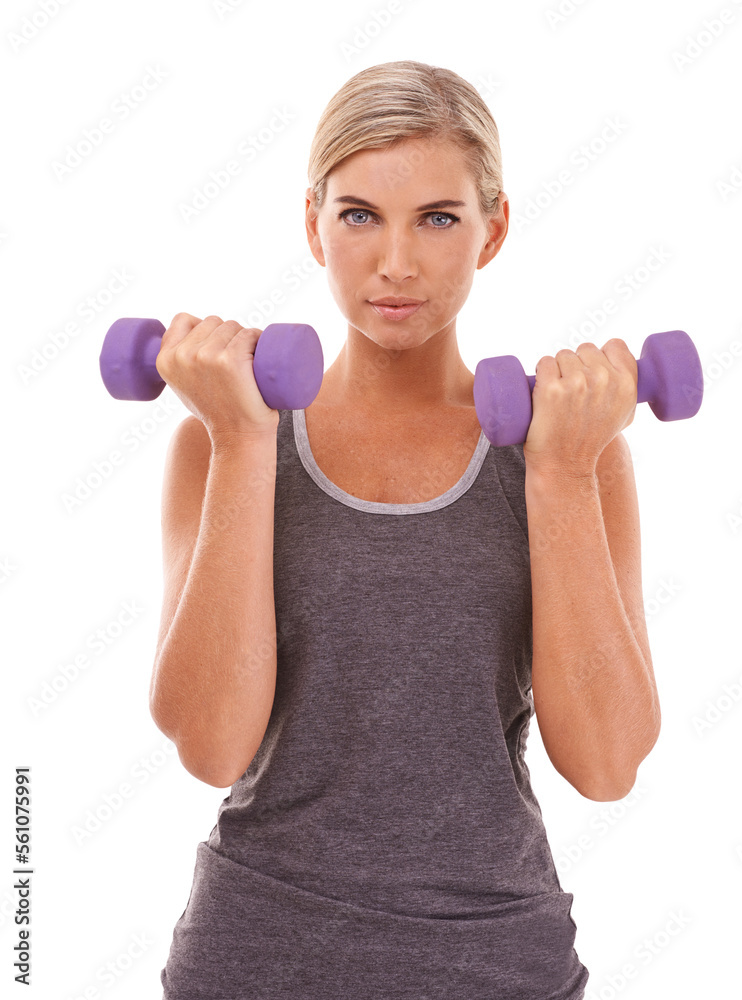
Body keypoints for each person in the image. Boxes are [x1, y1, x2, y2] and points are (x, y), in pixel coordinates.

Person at [151, 59, 661, 1000]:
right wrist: (239, 442)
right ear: (313, 224)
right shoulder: (227, 440)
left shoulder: (572, 451)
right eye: (358, 216)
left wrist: (556, 473)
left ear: (492, 228)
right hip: (256, 958)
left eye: (437, 218)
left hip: (499, 962)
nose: (396, 261)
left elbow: (608, 764)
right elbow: (210, 748)